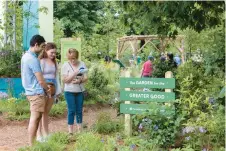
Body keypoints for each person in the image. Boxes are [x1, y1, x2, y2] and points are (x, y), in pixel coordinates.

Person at [21, 35, 51, 146]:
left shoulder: (25, 56)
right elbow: (41, 80)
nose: (43, 49)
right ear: (36, 45)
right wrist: (47, 89)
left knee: (36, 118)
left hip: (31, 92)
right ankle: (31, 145)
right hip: (36, 93)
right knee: (35, 119)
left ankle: (32, 144)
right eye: (42, 46)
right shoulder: (33, 59)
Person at [37, 42, 62, 141]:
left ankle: (46, 133)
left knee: (46, 112)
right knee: (40, 112)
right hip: (43, 88)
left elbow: (56, 77)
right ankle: (39, 135)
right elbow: (39, 76)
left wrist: (58, 91)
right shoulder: (41, 61)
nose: (54, 55)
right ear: (46, 51)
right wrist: (43, 88)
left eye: (55, 53)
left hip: (53, 88)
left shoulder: (55, 62)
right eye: (52, 52)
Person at [61, 48, 88, 134]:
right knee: (71, 111)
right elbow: (64, 80)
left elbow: (86, 77)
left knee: (79, 110)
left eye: (74, 58)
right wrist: (74, 73)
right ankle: (70, 132)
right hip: (69, 92)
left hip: (80, 91)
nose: (72, 60)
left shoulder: (82, 64)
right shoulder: (65, 65)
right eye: (70, 58)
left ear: (77, 57)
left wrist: (79, 81)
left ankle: (80, 131)